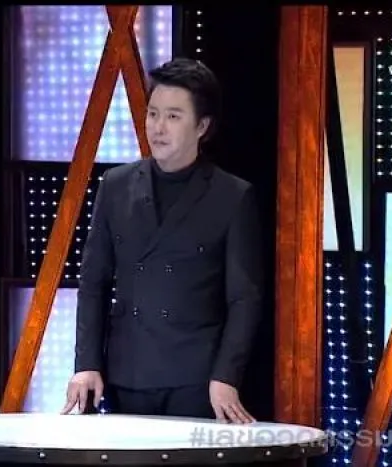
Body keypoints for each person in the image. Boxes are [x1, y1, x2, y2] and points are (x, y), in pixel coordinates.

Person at [62, 57, 263, 423]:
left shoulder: (232, 196)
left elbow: (243, 299)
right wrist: (87, 363)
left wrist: (226, 376)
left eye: (173, 116)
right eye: (153, 114)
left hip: (196, 381)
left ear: (202, 126)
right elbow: (93, 283)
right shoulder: (116, 186)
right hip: (126, 374)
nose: (158, 127)